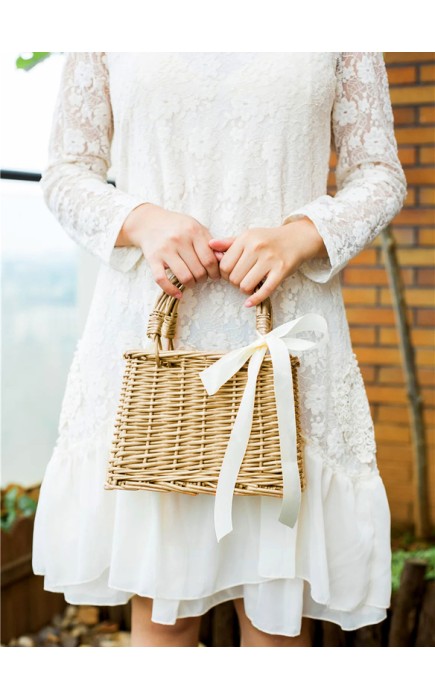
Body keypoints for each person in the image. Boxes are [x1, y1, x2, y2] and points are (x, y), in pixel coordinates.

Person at [32, 52, 407, 647]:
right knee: (164, 612)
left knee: (277, 618)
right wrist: (141, 219)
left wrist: (299, 234)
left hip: (285, 344)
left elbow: (380, 175)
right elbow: (66, 172)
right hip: (152, 340)